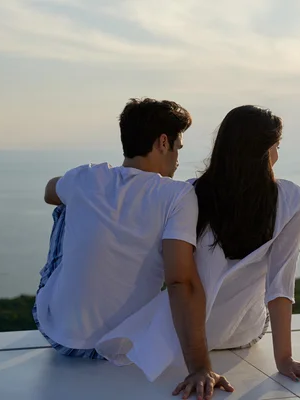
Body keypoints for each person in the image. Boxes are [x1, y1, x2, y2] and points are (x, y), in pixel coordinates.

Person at [96, 105, 300, 386]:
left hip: (182, 335)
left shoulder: (188, 193)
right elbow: (280, 285)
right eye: (276, 147)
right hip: (243, 331)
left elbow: (173, 277)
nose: (277, 154)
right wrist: (285, 360)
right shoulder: (291, 199)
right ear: (263, 152)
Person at [33, 98, 233, 399]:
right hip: (126, 347)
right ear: (163, 142)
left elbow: (50, 191)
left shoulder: (86, 176)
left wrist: (86, 192)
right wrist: (200, 367)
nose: (178, 158)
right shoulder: (177, 195)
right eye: (178, 147)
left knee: (65, 207)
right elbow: (180, 281)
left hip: (61, 338)